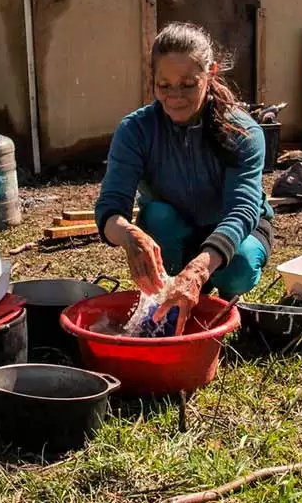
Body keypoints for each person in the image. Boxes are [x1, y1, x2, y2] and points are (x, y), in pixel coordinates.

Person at [95, 22, 273, 334]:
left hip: (234, 231)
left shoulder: (243, 132)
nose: (175, 96)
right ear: (153, 80)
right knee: (158, 215)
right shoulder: (136, 130)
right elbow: (110, 208)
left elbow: (241, 210)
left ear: (212, 73)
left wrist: (200, 268)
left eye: (188, 84)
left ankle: (229, 300)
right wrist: (128, 235)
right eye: (164, 85)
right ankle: (173, 291)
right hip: (176, 227)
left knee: (239, 265)